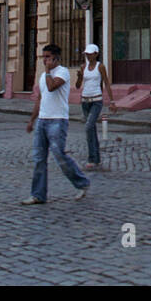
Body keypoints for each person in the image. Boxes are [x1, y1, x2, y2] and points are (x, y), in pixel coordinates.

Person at [22, 44, 90, 204]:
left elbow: (52, 87)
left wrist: (47, 72)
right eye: (43, 57)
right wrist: (32, 120)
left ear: (55, 58)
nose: (44, 60)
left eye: (47, 57)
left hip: (58, 120)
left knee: (59, 154)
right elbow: (40, 98)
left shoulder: (63, 72)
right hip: (42, 120)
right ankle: (38, 194)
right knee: (39, 158)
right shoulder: (43, 76)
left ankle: (82, 183)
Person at [75, 43, 115, 171]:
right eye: (86, 54)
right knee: (91, 130)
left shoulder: (100, 67)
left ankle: (91, 158)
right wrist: (80, 77)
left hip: (97, 100)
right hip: (85, 101)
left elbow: (107, 83)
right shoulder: (83, 67)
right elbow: (77, 86)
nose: (88, 56)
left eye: (90, 54)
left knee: (88, 127)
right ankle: (96, 158)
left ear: (96, 54)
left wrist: (112, 101)